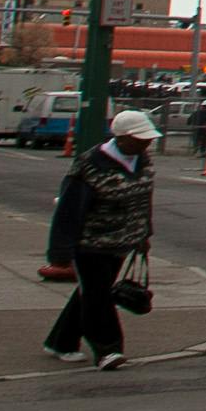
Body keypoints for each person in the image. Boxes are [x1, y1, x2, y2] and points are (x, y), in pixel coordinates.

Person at [41, 110, 156, 373]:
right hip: (90, 243)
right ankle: (108, 349)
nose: (147, 143)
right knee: (98, 296)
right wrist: (60, 252)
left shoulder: (143, 160)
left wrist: (143, 234)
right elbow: (68, 211)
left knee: (90, 293)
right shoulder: (90, 165)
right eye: (141, 138)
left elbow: (142, 200)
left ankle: (61, 342)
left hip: (121, 242)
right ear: (123, 137)